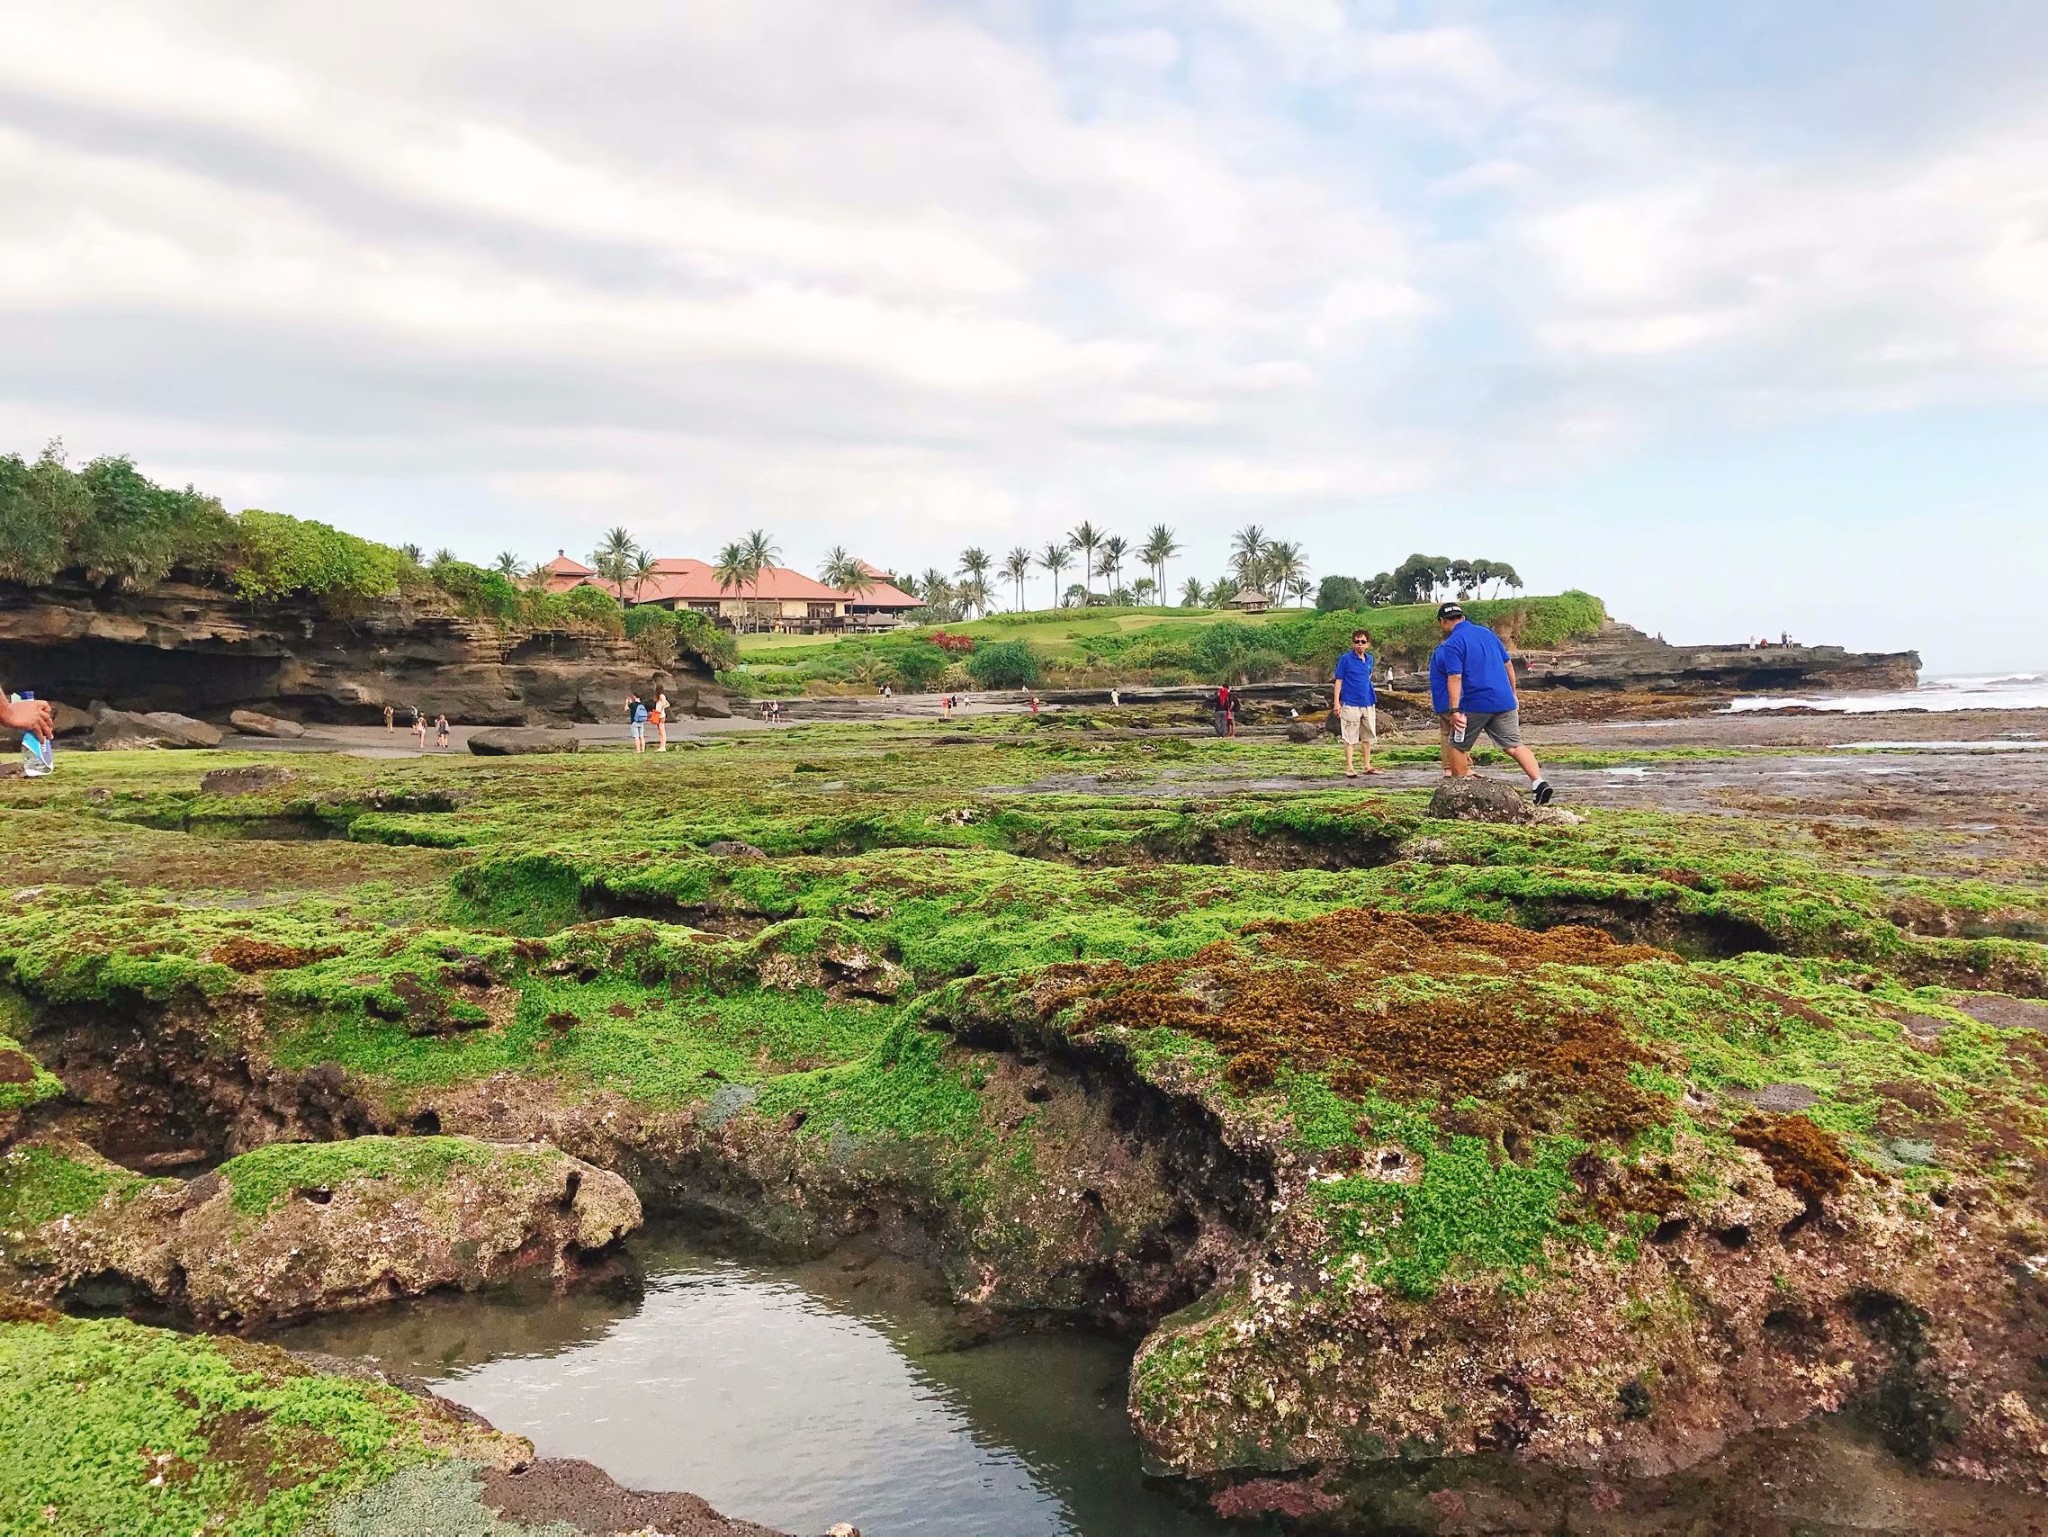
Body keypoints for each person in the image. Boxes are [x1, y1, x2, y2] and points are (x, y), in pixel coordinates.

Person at [1432, 602, 1552, 804]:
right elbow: (1508, 665)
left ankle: (1462, 793)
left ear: (1443, 622)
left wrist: (1454, 710)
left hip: (1474, 703)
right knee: (1514, 745)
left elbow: (1455, 677)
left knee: (1458, 746)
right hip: (1504, 700)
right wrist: (1513, 693)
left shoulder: (1453, 643)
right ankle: (1538, 782)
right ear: (1462, 617)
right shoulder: (1488, 634)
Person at [1331, 627, 1380, 778]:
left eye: (1363, 641)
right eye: (1357, 641)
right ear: (1353, 644)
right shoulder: (1345, 659)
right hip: (1350, 703)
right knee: (1350, 737)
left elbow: (1368, 677)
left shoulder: (1370, 659)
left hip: (1368, 702)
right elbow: (1339, 681)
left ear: (1368, 644)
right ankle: (1350, 767)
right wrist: (1336, 703)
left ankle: (1367, 765)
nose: (1359, 644)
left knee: (1368, 736)